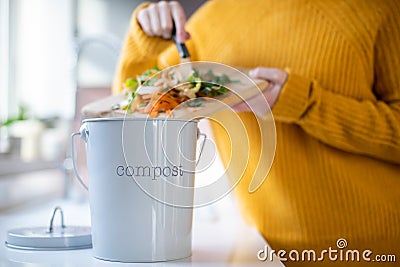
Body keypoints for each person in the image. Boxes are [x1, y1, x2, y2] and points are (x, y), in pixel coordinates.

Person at [112, 1, 400, 266]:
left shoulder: (381, 9)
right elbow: (131, 118)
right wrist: (143, 40)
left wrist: (304, 103)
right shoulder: (202, 27)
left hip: (377, 250)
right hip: (263, 253)